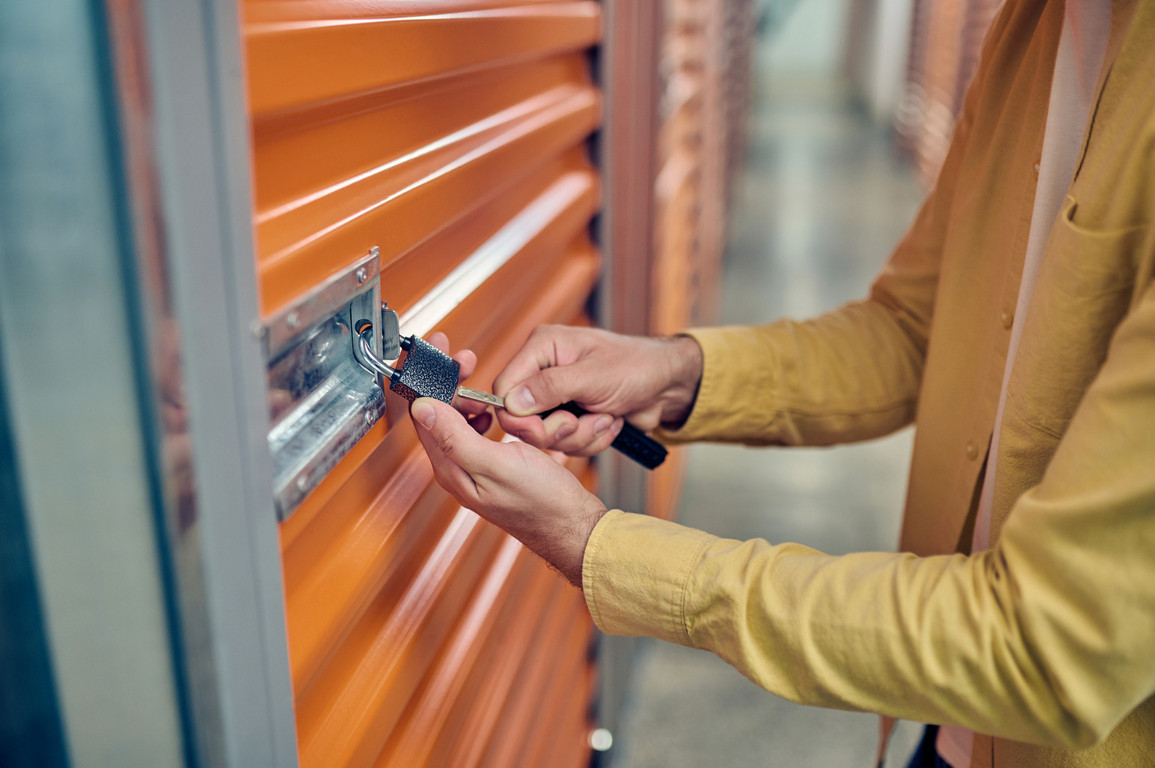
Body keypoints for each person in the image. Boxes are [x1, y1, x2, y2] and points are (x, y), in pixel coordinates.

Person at [409, 0, 1155, 765]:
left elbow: (1050, 648)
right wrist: (672, 373)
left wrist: (598, 547)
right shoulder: (1031, 32)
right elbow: (913, 331)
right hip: (953, 725)